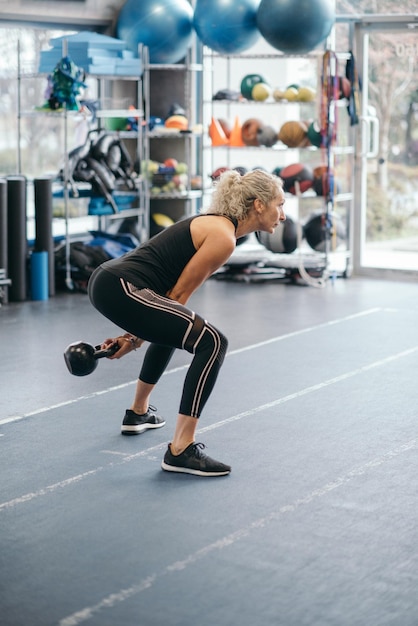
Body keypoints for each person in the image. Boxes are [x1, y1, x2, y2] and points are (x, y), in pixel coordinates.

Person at [88, 169, 286, 477]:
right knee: (212, 341)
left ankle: (138, 413)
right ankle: (181, 448)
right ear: (259, 205)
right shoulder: (222, 237)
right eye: (279, 204)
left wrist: (133, 337)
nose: (283, 215)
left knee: (181, 330)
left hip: (112, 282)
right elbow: (178, 294)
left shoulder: (216, 226)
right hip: (122, 285)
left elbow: (172, 302)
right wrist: (135, 338)